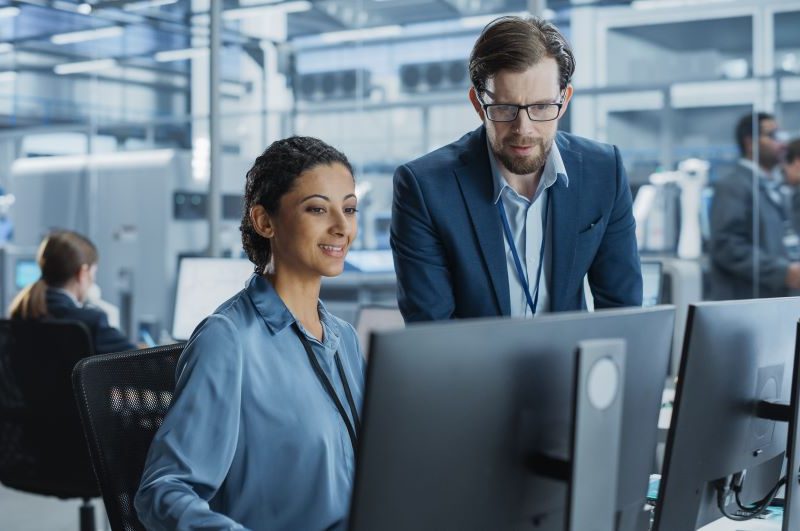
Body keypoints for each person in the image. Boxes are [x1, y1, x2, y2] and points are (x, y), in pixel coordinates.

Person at [135, 136, 365, 531]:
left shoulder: (344, 338)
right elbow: (164, 490)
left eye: (349, 209)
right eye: (317, 209)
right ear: (264, 221)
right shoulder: (227, 340)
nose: (342, 227)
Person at [390, 16, 642, 323]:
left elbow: (623, 312)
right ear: (477, 103)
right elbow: (431, 331)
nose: (524, 129)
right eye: (505, 108)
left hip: (571, 366)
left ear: (564, 102)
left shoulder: (603, 172)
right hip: (475, 369)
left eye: (541, 107)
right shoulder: (425, 187)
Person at [709, 112, 796, 300]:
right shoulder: (733, 186)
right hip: (746, 302)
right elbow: (727, 246)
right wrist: (783, 272)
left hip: (774, 298)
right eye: (772, 136)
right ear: (750, 143)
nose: (782, 144)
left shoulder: (774, 186)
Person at [8, 230, 134, 354]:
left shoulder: (20, 312)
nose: (93, 279)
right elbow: (142, 362)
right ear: (83, 273)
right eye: (93, 273)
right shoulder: (91, 322)